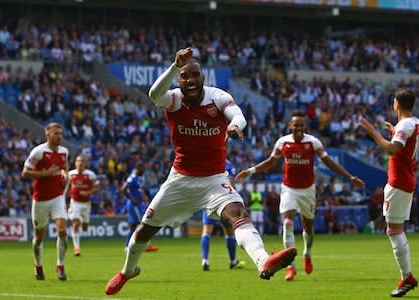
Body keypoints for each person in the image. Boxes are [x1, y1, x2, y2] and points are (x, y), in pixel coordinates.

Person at [105, 47, 297, 296]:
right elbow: (154, 94)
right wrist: (175, 65)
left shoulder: (217, 97)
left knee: (237, 212)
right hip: (180, 180)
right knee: (144, 231)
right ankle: (128, 271)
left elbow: (236, 113)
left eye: (195, 75)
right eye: (185, 76)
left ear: (203, 78)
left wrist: (235, 125)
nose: (190, 80)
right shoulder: (174, 100)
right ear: (179, 80)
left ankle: (262, 261)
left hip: (214, 180)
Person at [236, 110, 365, 281]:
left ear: (305, 127)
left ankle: (307, 253)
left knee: (308, 227)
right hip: (289, 189)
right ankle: (291, 267)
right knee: (288, 222)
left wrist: (349, 177)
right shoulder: (283, 142)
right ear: (290, 126)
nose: (298, 128)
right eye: (295, 125)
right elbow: (271, 162)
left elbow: (329, 162)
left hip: (308, 190)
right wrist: (250, 171)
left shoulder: (313, 143)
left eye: (301, 125)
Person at [359, 87, 419, 297]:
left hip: (399, 181)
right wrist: (394, 133)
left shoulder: (405, 125)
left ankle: (407, 277)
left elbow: (392, 149)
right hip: (407, 179)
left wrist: (372, 131)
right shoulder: (417, 123)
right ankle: (406, 276)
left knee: (394, 231)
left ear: (396, 103)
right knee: (395, 229)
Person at [22, 122, 69, 281]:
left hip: (57, 197)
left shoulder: (64, 151)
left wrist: (65, 176)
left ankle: (60, 266)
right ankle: (38, 265)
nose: (59, 136)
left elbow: (64, 167)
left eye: (60, 133)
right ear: (47, 135)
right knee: (39, 238)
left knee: (62, 231)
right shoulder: (38, 152)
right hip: (40, 200)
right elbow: (25, 173)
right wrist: (46, 174)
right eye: (56, 133)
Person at [200, 159, 245, 271]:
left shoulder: (208, 162)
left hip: (209, 198)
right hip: (225, 201)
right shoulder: (228, 164)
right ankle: (233, 261)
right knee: (229, 231)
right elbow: (231, 182)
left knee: (207, 231)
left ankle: (205, 260)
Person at [66, 155, 99, 256]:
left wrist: (88, 193)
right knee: (76, 222)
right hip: (75, 202)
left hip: (86, 204)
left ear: (85, 163)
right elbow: (66, 187)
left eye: (82, 161)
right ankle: (77, 248)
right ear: (75, 163)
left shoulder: (90, 175)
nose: (80, 163)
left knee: (84, 226)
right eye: (78, 161)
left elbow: (97, 189)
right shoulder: (70, 174)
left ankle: (82, 222)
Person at [122, 163, 158, 252]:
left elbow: (140, 190)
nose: (143, 171)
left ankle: (128, 246)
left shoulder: (141, 178)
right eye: (142, 169)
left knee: (133, 225)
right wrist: (132, 199)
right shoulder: (133, 177)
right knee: (143, 223)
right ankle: (145, 245)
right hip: (134, 204)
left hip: (139, 204)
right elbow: (124, 188)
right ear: (138, 169)